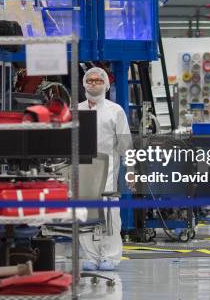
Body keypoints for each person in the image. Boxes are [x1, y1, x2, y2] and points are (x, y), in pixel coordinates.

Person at [78, 67, 132, 271]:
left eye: (98, 81)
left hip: (108, 170)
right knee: (85, 215)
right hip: (83, 170)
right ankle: (90, 256)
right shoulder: (77, 110)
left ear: (106, 85)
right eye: (90, 80)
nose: (93, 83)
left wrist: (131, 169)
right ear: (84, 83)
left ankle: (109, 256)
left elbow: (125, 143)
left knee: (110, 215)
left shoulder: (115, 110)